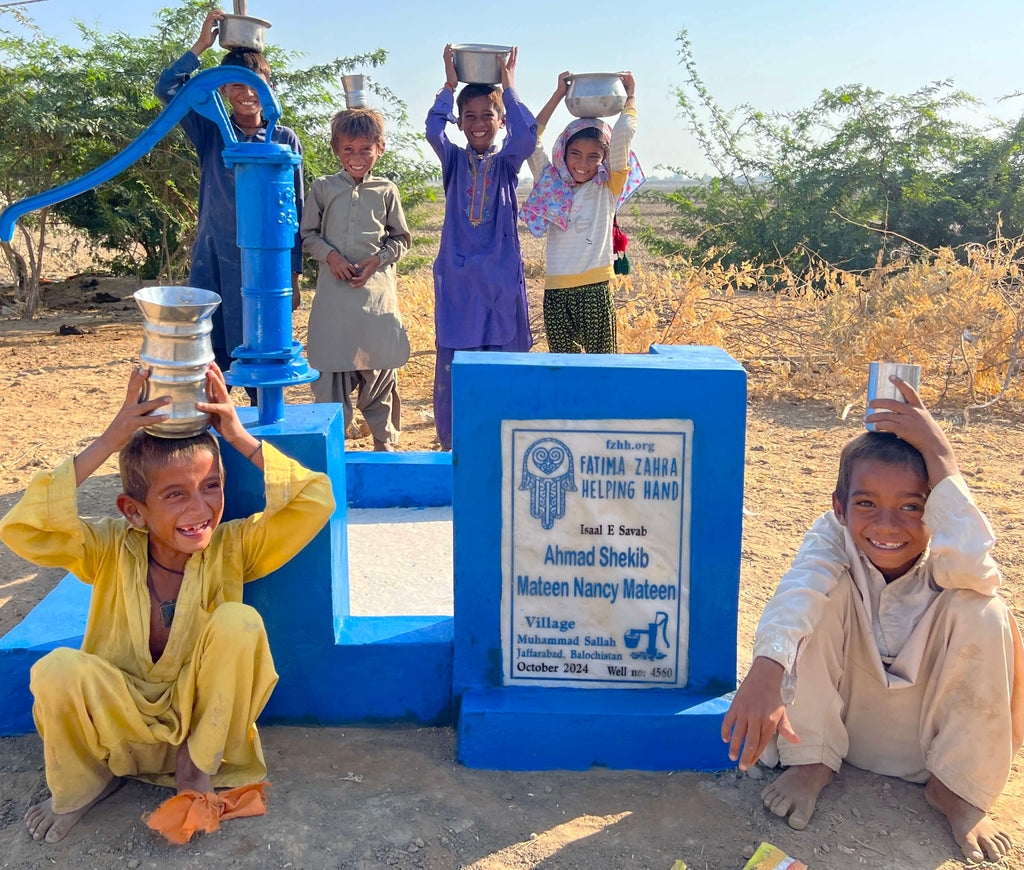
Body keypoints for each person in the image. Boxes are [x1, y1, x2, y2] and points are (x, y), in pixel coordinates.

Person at [0, 365, 335, 843]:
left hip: (203, 730)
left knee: (239, 622)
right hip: (121, 726)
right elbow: (22, 527)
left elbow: (315, 499)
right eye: (175, 495)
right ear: (133, 510)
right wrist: (110, 440)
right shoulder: (108, 547)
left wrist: (237, 435)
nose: (200, 510)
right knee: (55, 671)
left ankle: (196, 770)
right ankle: (86, 783)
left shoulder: (234, 546)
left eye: (211, 487)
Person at [722, 376, 1023, 864]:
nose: (887, 526)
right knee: (819, 597)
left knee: (983, 607)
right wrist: (766, 669)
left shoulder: (950, 553)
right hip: (844, 727)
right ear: (840, 507)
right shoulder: (832, 539)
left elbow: (977, 570)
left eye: (911, 507)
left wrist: (942, 456)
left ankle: (957, 792)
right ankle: (812, 763)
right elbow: (797, 592)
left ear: (938, 510)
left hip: (927, 744)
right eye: (867, 505)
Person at [155, 8, 304, 404]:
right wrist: (203, 44)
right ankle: (212, 439)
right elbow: (168, 89)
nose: (247, 92)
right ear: (222, 89)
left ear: (270, 86)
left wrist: (294, 269)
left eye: (256, 82)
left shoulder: (284, 138)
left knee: (264, 356)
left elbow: (296, 206)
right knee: (210, 356)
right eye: (235, 84)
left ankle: (260, 438)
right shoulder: (211, 130)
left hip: (267, 268)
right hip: (214, 259)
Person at [425, 45, 537, 450]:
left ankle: (505, 443)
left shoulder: (507, 162)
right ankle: (455, 445)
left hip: (500, 281)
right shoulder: (453, 160)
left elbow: (527, 136)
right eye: (468, 116)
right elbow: (432, 131)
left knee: (503, 360)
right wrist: (449, 85)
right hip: (458, 281)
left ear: (500, 119)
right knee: (457, 364)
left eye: (486, 115)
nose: (477, 123)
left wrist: (508, 86)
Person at [301, 108, 411, 452]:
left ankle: (384, 446)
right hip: (333, 302)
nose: (357, 157)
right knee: (329, 374)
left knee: (379, 371)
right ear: (336, 149)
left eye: (365, 149)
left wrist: (377, 259)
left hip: (376, 300)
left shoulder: (387, 189)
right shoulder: (322, 188)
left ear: (380, 148)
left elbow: (401, 239)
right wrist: (331, 257)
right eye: (348, 149)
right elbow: (307, 235)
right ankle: (332, 451)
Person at [521, 71, 644, 355]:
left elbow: (623, 135)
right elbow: (531, 139)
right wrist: (557, 95)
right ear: (563, 152)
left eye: (593, 156)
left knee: (603, 368)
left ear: (604, 158)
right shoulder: (550, 182)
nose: (582, 164)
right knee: (565, 371)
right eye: (575, 153)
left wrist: (631, 96)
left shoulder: (608, 186)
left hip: (595, 290)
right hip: (556, 293)